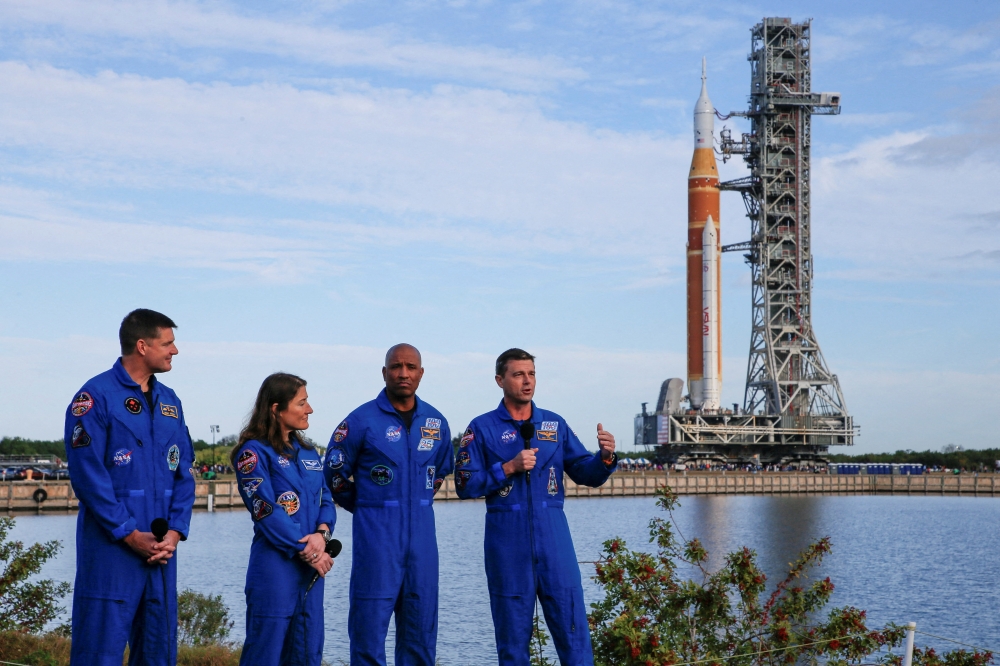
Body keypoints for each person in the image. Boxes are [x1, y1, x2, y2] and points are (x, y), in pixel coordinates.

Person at [455, 348, 617, 666]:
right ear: (500, 380)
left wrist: (605, 458)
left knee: (575, 638)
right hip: (507, 545)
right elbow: (464, 485)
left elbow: (586, 471)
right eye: (518, 374)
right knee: (513, 646)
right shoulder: (481, 428)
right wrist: (508, 467)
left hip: (554, 540)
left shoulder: (553, 425)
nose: (527, 381)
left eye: (531, 374)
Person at [62, 308, 196, 666]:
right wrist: (128, 533)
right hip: (112, 551)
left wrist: (176, 532)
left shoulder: (170, 401)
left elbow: (184, 473)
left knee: (159, 652)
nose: (175, 350)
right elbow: (89, 476)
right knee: (99, 651)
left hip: (161, 551)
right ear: (142, 345)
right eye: (167, 343)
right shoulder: (94, 397)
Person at [324, 344, 454, 666]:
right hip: (377, 543)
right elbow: (334, 475)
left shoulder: (436, 423)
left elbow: (436, 475)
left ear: (421, 373)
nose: (403, 373)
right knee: (368, 635)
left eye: (411, 367)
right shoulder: (360, 421)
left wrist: (414, 504)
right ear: (384, 373)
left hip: (423, 545)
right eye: (396, 367)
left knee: (421, 637)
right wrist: (370, 506)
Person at [231, 373, 336, 666]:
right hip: (275, 570)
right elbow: (265, 508)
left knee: (307, 652)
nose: (310, 409)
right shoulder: (253, 453)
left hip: (311, 574)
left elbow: (325, 500)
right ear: (276, 408)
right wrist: (309, 550)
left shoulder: (309, 453)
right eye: (302, 402)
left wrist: (322, 535)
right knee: (265, 653)